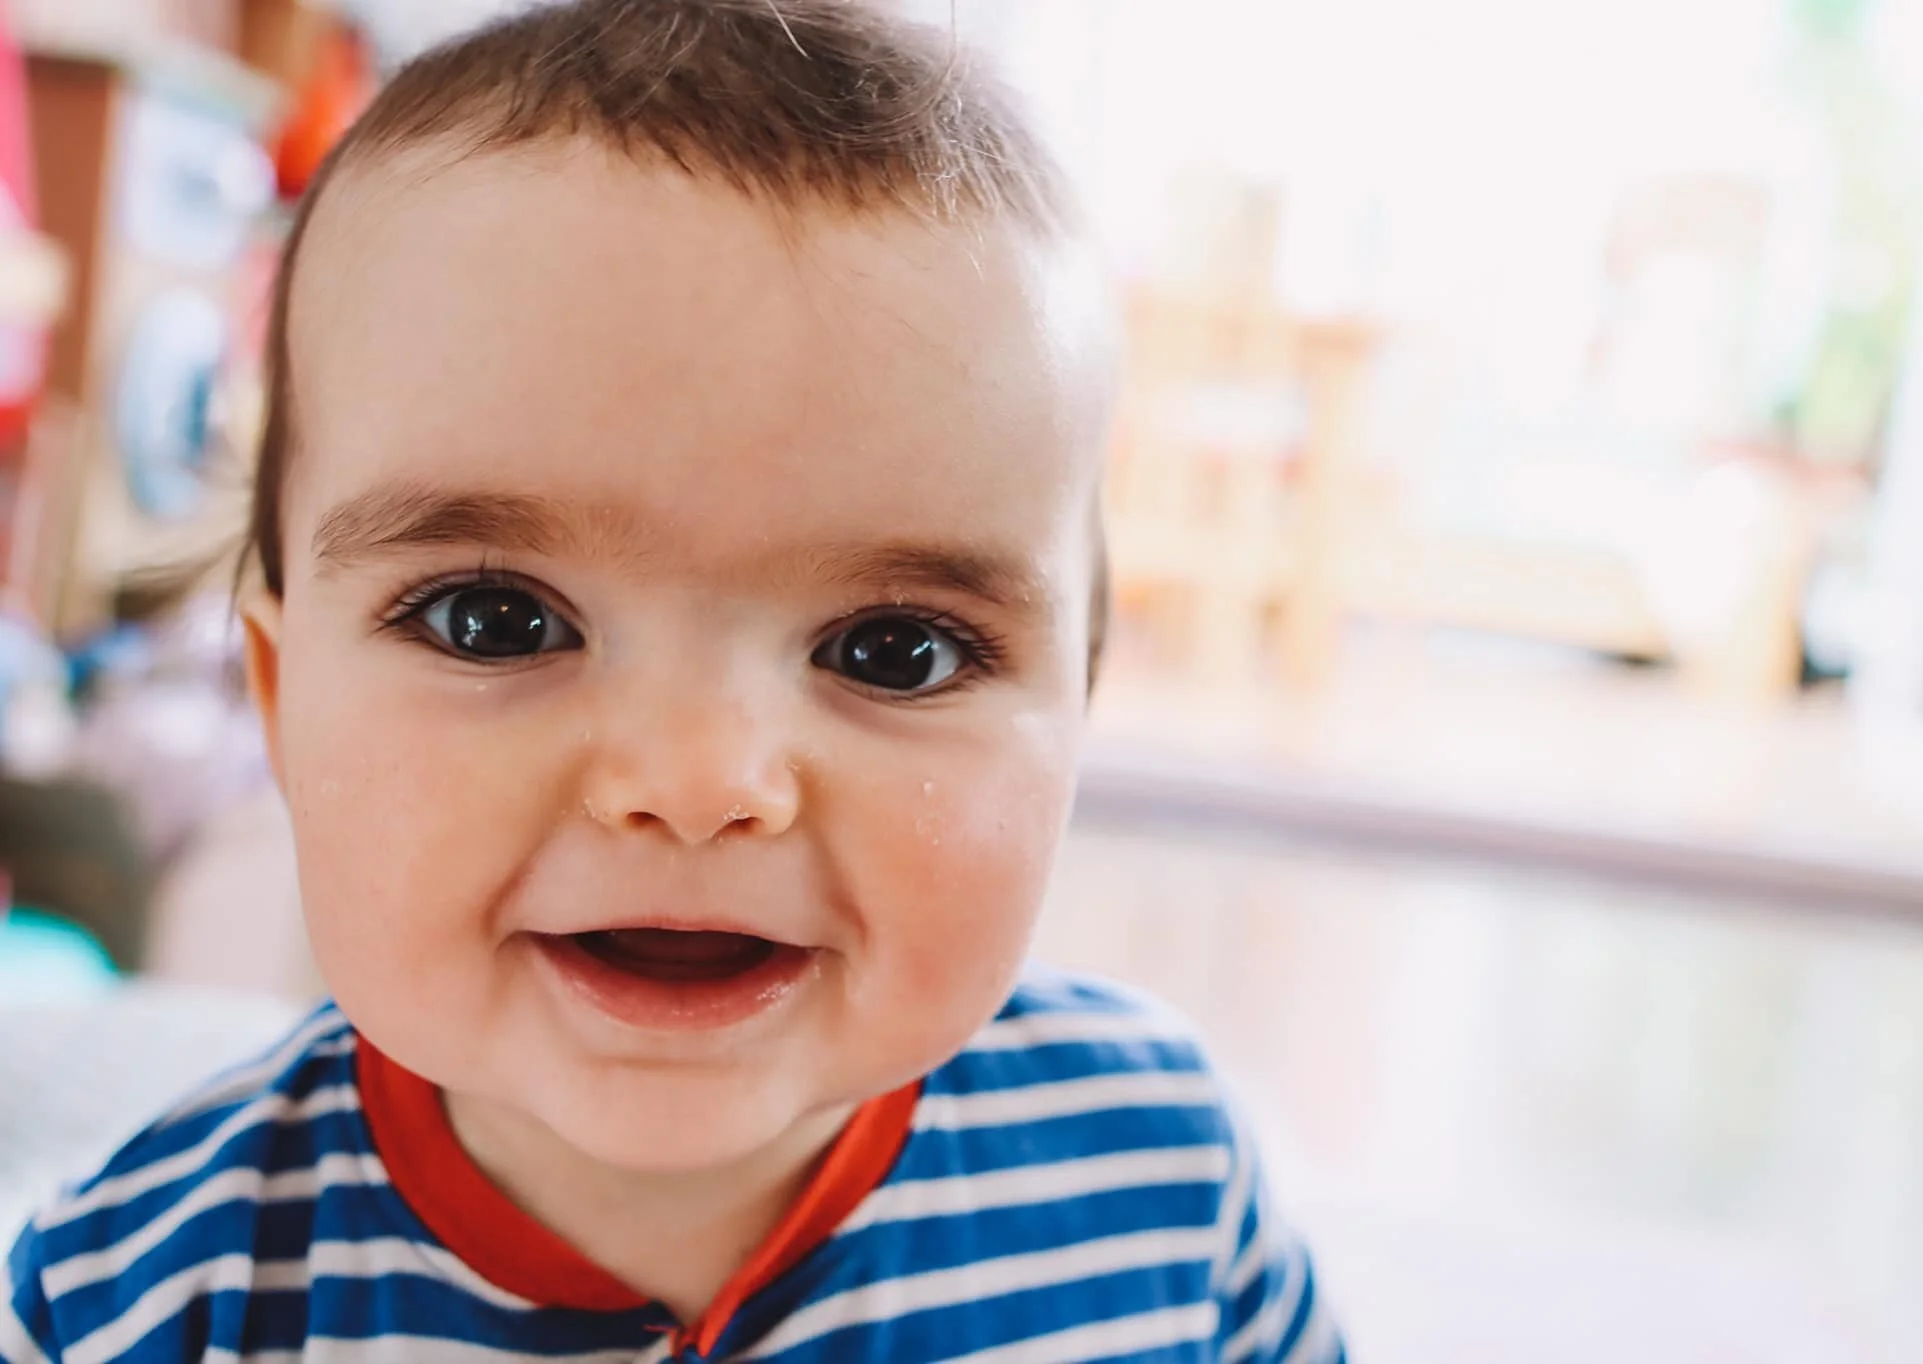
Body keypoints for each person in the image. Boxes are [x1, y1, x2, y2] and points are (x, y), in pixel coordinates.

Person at [4, 2, 1344, 1359]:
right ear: (285, 706)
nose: (698, 785)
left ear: (1076, 713)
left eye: (895, 650)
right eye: (495, 621)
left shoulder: (1164, 1189)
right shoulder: (133, 1298)